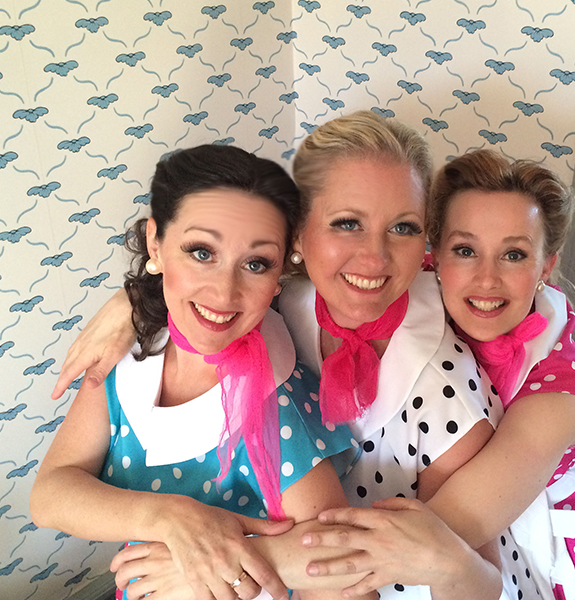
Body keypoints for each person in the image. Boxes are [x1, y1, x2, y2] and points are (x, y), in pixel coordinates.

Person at [52, 113, 524, 600]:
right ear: (298, 237)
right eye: (347, 223)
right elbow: (219, 272)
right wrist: (133, 302)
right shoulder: (281, 302)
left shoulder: (447, 393)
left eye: (403, 227)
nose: (374, 258)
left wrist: (235, 557)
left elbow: (474, 581)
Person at [300, 150, 575, 599]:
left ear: (546, 265)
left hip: (536, 540)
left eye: (514, 255)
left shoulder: (563, 392)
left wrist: (290, 558)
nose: (486, 279)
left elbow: (446, 529)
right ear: (435, 256)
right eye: (465, 251)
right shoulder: (418, 283)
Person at [30, 144, 371, 600]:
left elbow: (344, 582)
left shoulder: (274, 401)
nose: (224, 292)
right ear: (155, 243)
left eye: (255, 264)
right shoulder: (127, 356)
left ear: (278, 275)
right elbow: (51, 492)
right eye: (201, 252)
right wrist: (172, 518)